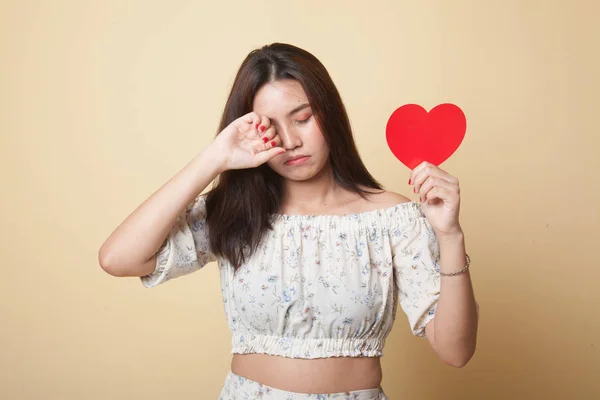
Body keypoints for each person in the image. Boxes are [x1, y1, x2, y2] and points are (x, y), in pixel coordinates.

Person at [98, 42, 479, 399]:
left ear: (330, 114)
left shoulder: (392, 219)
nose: (291, 141)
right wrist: (214, 158)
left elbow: (455, 351)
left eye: (303, 118)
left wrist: (450, 234)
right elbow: (118, 258)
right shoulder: (235, 214)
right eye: (271, 126)